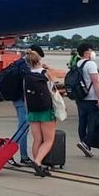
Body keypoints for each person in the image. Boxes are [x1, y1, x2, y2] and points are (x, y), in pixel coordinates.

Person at [19, 49, 59, 177]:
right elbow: (55, 84)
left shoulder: (26, 75)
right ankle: (37, 162)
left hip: (32, 110)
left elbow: (25, 95)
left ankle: (39, 165)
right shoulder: (45, 73)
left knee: (37, 139)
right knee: (48, 140)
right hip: (45, 109)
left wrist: (27, 110)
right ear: (39, 60)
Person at [69, 42, 99, 157]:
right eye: (91, 50)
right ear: (86, 52)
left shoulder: (78, 63)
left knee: (82, 121)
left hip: (80, 97)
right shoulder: (91, 64)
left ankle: (84, 143)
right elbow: (95, 82)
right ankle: (86, 142)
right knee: (94, 121)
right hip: (91, 97)